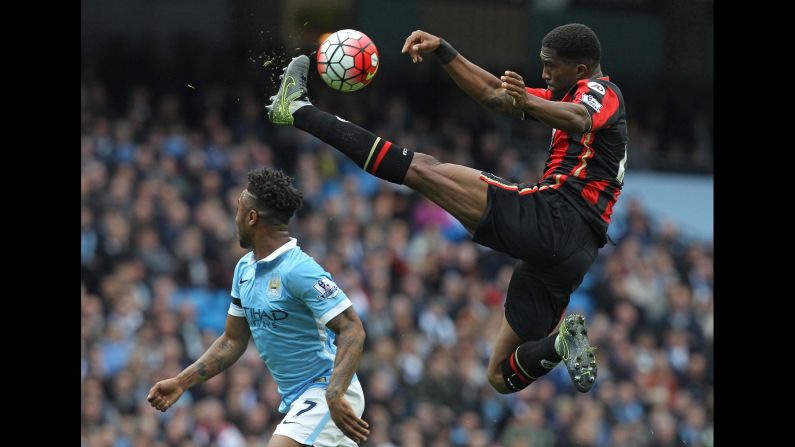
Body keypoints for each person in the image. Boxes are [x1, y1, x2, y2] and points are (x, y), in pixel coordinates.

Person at [266, 23, 628, 395]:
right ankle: (560, 344)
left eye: (551, 66)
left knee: (421, 169)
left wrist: (529, 99)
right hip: (573, 252)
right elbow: (494, 95)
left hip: (556, 218)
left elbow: (579, 118)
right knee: (500, 375)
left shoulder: (600, 91)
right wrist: (444, 51)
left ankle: (296, 109)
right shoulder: (567, 96)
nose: (544, 74)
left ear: (580, 70)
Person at [147, 168, 370, 446]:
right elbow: (232, 341)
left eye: (238, 210)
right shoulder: (244, 269)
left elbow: (352, 328)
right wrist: (182, 381)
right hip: (298, 398)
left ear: (252, 217)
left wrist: (334, 393)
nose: (235, 218)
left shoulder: (300, 270)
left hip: (326, 389)